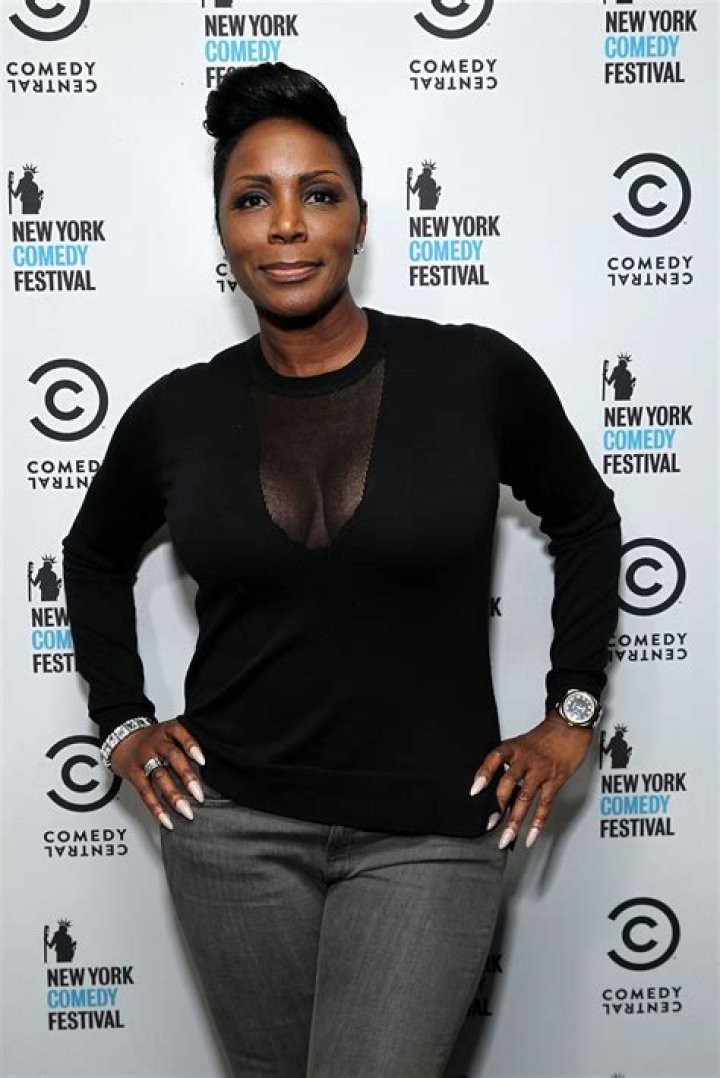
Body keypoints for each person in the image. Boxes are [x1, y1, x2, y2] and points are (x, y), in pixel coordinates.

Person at [63, 62, 621, 1078]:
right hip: (228, 830)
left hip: (431, 833)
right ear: (224, 231)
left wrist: (572, 711)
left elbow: (585, 518)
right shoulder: (177, 412)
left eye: (317, 194)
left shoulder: (474, 373)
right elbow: (92, 555)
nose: (286, 225)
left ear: (362, 219)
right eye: (252, 199)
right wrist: (123, 722)